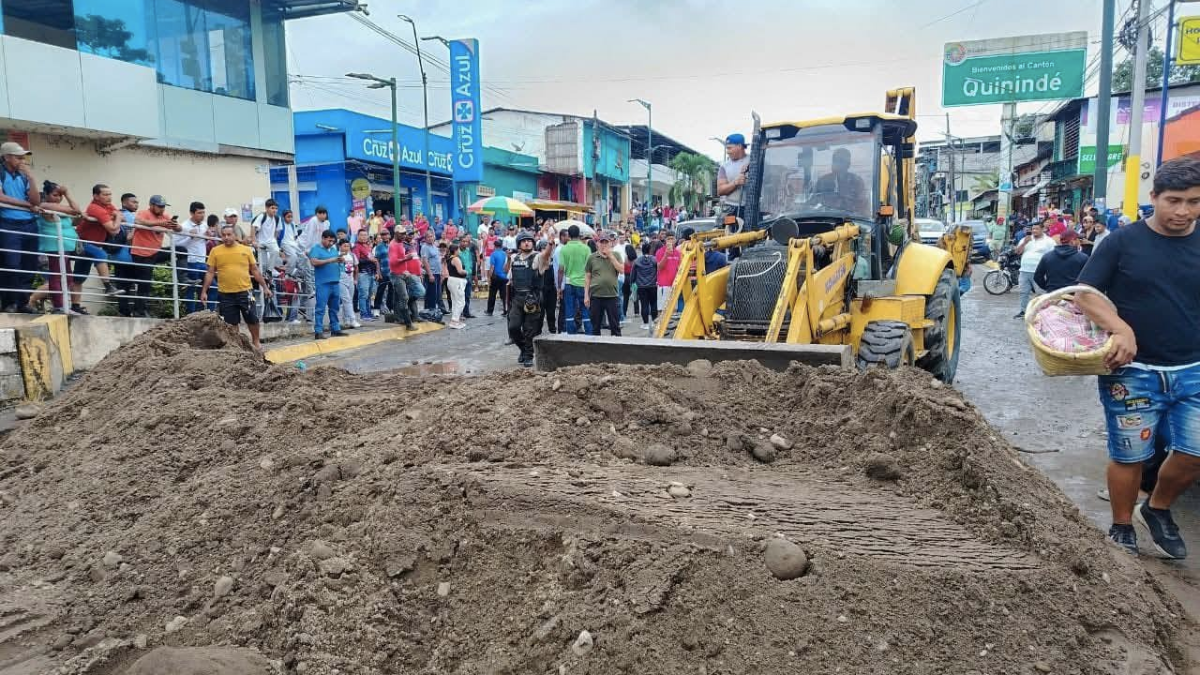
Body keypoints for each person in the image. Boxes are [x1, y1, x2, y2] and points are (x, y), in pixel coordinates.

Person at [1074, 157, 1200, 559]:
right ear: (1154, 198)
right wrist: (1122, 329)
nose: (1184, 211)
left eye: (1194, 202)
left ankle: (1158, 507)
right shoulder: (1121, 241)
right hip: (1132, 370)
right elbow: (1086, 294)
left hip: (1193, 369)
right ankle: (1122, 524)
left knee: (1194, 453)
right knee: (1130, 454)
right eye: (1174, 201)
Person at [200, 223, 272, 350]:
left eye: (229, 234)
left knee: (252, 319)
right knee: (231, 323)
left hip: (245, 291)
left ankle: (256, 342)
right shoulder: (215, 251)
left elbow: (255, 270)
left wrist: (265, 287)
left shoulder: (246, 250)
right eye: (223, 235)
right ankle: (237, 345)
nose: (226, 237)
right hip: (226, 293)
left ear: (235, 235)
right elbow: (210, 272)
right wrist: (204, 291)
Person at [28, 180, 81, 314]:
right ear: (46, 194)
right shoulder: (45, 204)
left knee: (68, 278)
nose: (58, 198)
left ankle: (59, 305)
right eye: (55, 195)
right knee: (57, 277)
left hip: (65, 246)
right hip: (54, 245)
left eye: (60, 195)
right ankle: (59, 306)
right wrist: (68, 193)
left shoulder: (60, 209)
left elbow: (77, 214)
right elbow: (76, 210)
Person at [0, 141, 40, 312]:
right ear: (7, 157)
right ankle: (10, 302)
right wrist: (25, 204)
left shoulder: (24, 176)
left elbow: (36, 202)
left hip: (30, 224)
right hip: (9, 223)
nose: (22, 160)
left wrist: (31, 177)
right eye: (18, 157)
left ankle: (23, 302)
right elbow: (1, 197)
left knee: (29, 264)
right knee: (11, 264)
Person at [507, 231, 554, 366]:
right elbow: (509, 275)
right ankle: (523, 348)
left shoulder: (537, 257)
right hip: (517, 298)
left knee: (529, 329)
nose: (527, 242)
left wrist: (550, 244)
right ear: (519, 244)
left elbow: (546, 255)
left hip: (532, 298)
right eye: (523, 241)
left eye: (529, 240)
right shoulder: (515, 258)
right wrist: (508, 258)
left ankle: (528, 355)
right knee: (513, 327)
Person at [129, 195, 180, 317]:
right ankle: (139, 311)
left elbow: (179, 229)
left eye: (163, 207)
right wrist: (161, 223)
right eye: (159, 206)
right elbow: (138, 221)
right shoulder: (144, 213)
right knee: (145, 283)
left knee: (181, 251)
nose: (162, 209)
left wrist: (175, 225)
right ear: (151, 205)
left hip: (155, 252)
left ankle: (183, 277)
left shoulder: (165, 216)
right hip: (141, 253)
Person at [76, 184, 123, 298]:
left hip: (92, 244)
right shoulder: (95, 208)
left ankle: (75, 306)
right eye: (105, 194)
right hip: (80, 243)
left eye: (110, 194)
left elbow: (118, 219)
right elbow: (113, 230)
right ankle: (108, 287)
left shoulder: (108, 206)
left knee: (78, 278)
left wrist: (116, 217)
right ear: (96, 196)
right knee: (100, 254)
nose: (109, 197)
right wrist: (118, 217)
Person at [307, 230, 347, 339]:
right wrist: (331, 260)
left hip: (335, 282)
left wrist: (340, 260)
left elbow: (335, 261)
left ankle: (335, 328)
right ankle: (318, 331)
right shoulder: (316, 249)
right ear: (323, 238)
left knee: (335, 308)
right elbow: (314, 262)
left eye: (333, 241)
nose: (331, 243)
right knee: (320, 308)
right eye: (329, 241)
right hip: (323, 283)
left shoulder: (333, 250)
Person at [1012, 220, 1055, 319]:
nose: (1034, 231)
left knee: (1040, 292)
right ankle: (1024, 311)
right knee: (1023, 292)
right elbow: (1017, 252)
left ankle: (1042, 312)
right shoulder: (1026, 239)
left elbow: (1053, 255)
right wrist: (1024, 243)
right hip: (1025, 270)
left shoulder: (1049, 241)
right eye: (1033, 229)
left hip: (1039, 272)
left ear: (1042, 229)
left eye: (1036, 229)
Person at [585, 231, 623, 336]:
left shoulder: (616, 255)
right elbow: (587, 277)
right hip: (596, 296)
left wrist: (611, 256)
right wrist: (586, 295)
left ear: (610, 243)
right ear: (597, 244)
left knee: (615, 325)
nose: (604, 245)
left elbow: (621, 270)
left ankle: (616, 345)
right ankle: (596, 348)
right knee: (595, 325)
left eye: (606, 242)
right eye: (602, 242)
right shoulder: (592, 257)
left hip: (612, 295)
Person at [177, 201, 212, 313]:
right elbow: (176, 245)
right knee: (191, 289)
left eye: (203, 212)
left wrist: (207, 237)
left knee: (212, 287)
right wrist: (189, 236)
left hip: (202, 261)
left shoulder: (205, 224)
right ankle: (191, 314)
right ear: (192, 213)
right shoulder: (184, 226)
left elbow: (202, 242)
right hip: (191, 261)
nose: (202, 215)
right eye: (199, 213)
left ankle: (204, 313)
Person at [557, 225, 592, 334]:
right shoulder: (586, 248)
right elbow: (590, 269)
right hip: (583, 283)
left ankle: (571, 336)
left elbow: (561, 270)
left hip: (568, 283)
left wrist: (559, 287)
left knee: (569, 311)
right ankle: (589, 335)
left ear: (569, 235)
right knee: (585, 310)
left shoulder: (564, 249)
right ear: (579, 234)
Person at [813, 148, 868, 214]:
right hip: (825, 218)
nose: (836, 163)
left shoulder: (856, 181)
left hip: (850, 220)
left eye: (840, 161)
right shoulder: (822, 181)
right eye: (835, 160)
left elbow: (862, 206)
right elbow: (813, 202)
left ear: (848, 164)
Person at [386, 229, 416, 330]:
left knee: (400, 297)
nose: (404, 236)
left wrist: (405, 261)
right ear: (396, 234)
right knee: (404, 298)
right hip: (396, 275)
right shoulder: (393, 245)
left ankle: (400, 318)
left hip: (402, 273)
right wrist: (406, 259)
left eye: (404, 234)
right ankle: (408, 323)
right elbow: (393, 262)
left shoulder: (399, 243)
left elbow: (400, 258)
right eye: (402, 234)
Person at [654, 232, 682, 322]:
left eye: (672, 238)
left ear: (675, 240)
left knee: (674, 311)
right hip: (664, 285)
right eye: (668, 239)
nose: (670, 241)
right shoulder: (660, 251)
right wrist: (666, 255)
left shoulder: (678, 253)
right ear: (665, 240)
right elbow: (659, 267)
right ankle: (660, 331)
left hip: (674, 285)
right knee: (662, 311)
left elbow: (679, 268)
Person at [352, 229, 378, 321]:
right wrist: (369, 260)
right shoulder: (356, 247)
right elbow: (356, 261)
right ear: (357, 236)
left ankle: (369, 313)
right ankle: (364, 314)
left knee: (369, 295)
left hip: (370, 273)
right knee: (363, 295)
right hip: (362, 273)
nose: (364, 237)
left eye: (365, 235)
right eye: (361, 235)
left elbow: (373, 259)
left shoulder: (366, 246)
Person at [632, 242, 659, 329]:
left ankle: (646, 323)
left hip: (641, 286)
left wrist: (632, 283)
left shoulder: (637, 261)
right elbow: (658, 270)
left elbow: (633, 274)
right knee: (654, 304)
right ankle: (655, 321)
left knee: (644, 304)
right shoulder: (655, 260)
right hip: (653, 285)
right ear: (650, 250)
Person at [336, 239, 359, 329]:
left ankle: (346, 320)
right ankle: (353, 319)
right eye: (344, 246)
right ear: (340, 246)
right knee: (346, 300)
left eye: (348, 246)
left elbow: (356, 268)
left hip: (350, 280)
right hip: (340, 280)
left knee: (349, 300)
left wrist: (355, 279)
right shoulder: (337, 255)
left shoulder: (352, 255)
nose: (346, 248)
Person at [444, 241, 468, 329]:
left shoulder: (450, 258)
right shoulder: (455, 259)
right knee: (461, 302)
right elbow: (460, 271)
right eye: (458, 249)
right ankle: (454, 320)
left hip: (451, 280)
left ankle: (455, 320)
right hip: (457, 281)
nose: (459, 251)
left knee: (455, 301)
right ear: (455, 250)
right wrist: (466, 272)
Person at [458, 234, 479, 318]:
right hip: (460, 276)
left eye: (466, 241)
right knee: (460, 296)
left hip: (468, 275)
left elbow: (470, 262)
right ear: (460, 242)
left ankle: (466, 312)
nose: (465, 243)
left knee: (467, 295)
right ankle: (459, 313)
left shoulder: (468, 251)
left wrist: (471, 272)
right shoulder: (457, 252)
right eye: (463, 241)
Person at [373, 229, 393, 316]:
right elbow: (377, 260)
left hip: (392, 272)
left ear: (389, 235)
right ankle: (376, 308)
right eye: (383, 235)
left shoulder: (392, 245)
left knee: (392, 291)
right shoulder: (379, 246)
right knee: (380, 290)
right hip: (383, 271)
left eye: (386, 234)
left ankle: (390, 308)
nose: (385, 236)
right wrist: (378, 272)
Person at [486, 243, 509, 316]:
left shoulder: (493, 254)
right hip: (504, 277)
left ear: (494, 246)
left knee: (492, 294)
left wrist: (489, 278)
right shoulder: (505, 254)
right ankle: (506, 310)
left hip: (496, 277)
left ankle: (490, 311)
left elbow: (492, 267)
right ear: (501, 246)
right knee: (504, 295)